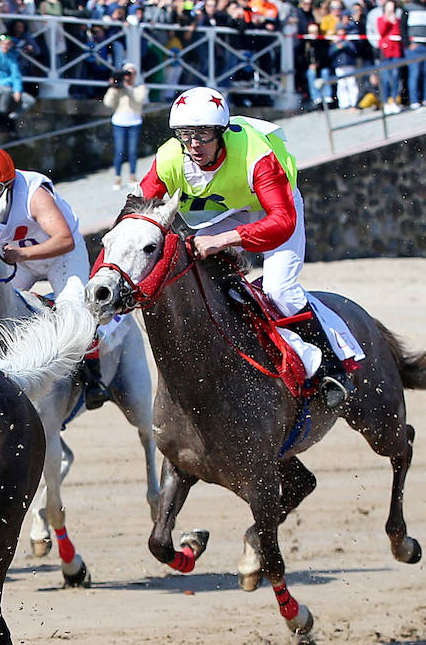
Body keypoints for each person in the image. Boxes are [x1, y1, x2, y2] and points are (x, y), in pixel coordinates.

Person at [137, 86, 357, 408]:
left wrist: (223, 240)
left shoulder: (257, 156)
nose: (195, 145)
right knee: (193, 270)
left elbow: (281, 222)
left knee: (280, 289)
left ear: (221, 132)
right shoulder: (171, 156)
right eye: (186, 135)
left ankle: (331, 366)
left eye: (204, 135)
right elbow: (137, 215)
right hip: (230, 210)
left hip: (277, 209)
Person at [0, 139, 113, 410]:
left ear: (8, 183)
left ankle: (92, 377)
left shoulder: (33, 193)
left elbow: (65, 240)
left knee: (74, 312)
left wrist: (22, 254)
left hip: (59, 256)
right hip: (16, 259)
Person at [103, 62, 148, 187]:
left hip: (134, 122)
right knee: (119, 151)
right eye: (126, 73)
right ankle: (117, 177)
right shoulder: (117, 88)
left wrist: (127, 87)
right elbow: (108, 103)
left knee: (133, 151)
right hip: (119, 122)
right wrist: (113, 87)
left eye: (131, 73)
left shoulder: (139, 87)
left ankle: (132, 176)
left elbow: (139, 99)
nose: (128, 76)